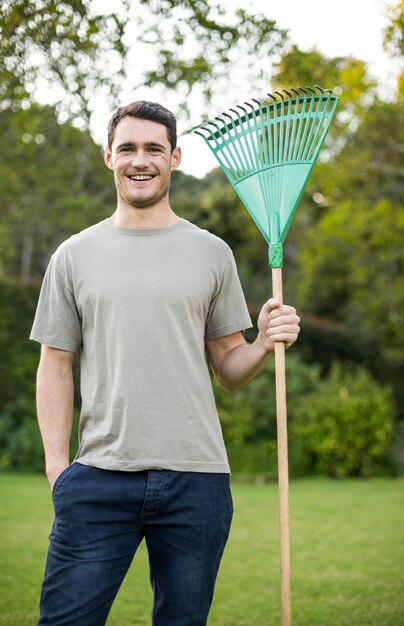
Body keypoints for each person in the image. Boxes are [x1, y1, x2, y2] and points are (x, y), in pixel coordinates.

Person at [30, 100, 300, 626]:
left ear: (174, 157)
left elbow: (229, 366)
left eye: (154, 148)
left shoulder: (211, 253)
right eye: (127, 148)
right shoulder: (73, 255)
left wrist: (264, 343)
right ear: (110, 156)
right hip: (98, 478)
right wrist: (57, 468)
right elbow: (55, 365)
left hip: (196, 482)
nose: (140, 160)